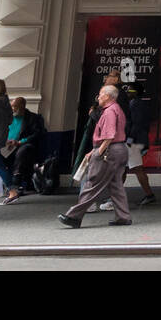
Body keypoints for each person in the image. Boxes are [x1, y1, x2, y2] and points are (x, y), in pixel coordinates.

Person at [58, 84, 131, 228]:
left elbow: (109, 135)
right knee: (116, 185)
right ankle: (123, 216)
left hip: (108, 151)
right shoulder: (117, 109)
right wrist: (94, 150)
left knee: (92, 183)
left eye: (101, 94)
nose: (98, 97)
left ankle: (74, 216)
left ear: (109, 96)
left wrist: (98, 152)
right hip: (119, 149)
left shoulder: (109, 111)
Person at [3, 96, 45, 203]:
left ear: (22, 106)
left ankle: (16, 183)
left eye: (15, 107)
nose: (13, 109)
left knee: (23, 151)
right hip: (6, 145)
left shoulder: (33, 118)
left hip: (22, 145)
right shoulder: (8, 117)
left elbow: (38, 134)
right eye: (11, 106)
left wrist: (20, 142)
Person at [125, 82, 157, 206]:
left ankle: (149, 195)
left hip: (134, 142)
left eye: (130, 90)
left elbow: (137, 124)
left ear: (136, 92)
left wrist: (130, 139)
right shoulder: (136, 103)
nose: (127, 92)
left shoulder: (136, 104)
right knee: (125, 169)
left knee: (136, 169)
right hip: (135, 141)